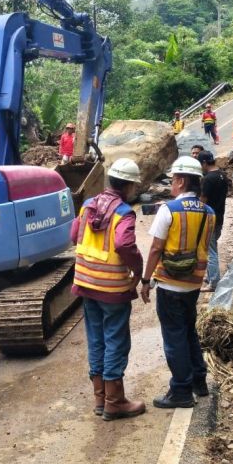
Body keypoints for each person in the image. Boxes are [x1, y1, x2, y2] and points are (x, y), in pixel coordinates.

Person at [72, 158, 147, 421]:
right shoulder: (124, 212)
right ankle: (115, 402)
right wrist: (138, 270)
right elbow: (124, 245)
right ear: (128, 186)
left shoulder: (87, 206)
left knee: (96, 338)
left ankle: (100, 400)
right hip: (112, 288)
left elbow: (74, 236)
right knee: (116, 339)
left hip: (85, 283)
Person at [141, 156, 215, 408]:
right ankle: (199, 380)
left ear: (181, 181)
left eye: (173, 180)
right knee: (188, 331)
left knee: (174, 337)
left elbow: (155, 249)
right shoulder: (209, 212)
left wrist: (145, 280)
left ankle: (181, 391)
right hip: (193, 284)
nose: (172, 185)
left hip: (170, 284)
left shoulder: (169, 210)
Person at [197, 151, 228, 292]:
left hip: (209, 219)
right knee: (212, 247)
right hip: (220, 216)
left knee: (210, 251)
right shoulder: (222, 175)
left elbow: (202, 202)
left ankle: (214, 282)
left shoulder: (208, 179)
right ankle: (211, 276)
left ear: (204, 163)